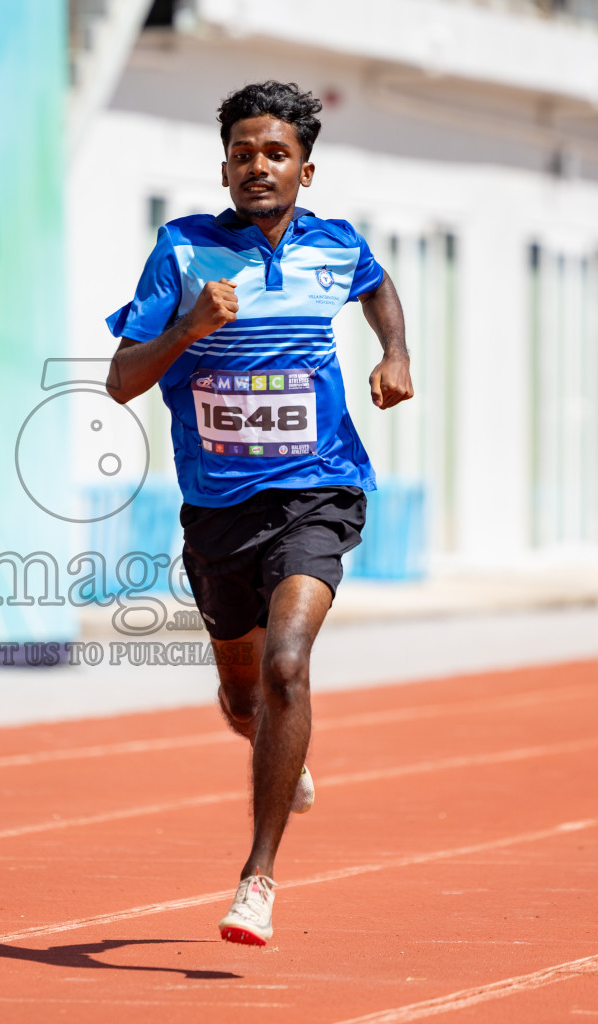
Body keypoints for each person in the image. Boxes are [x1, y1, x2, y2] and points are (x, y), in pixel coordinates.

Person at [104, 81, 412, 945]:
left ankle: (258, 877)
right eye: (242, 154)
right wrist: (189, 329)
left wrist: (395, 352)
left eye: (275, 153)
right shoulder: (182, 250)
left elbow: (378, 286)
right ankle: (281, 750)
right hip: (217, 512)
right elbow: (122, 380)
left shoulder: (337, 245)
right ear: (226, 167)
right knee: (245, 699)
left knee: (287, 666)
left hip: (319, 488)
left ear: (305, 170)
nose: (257, 167)